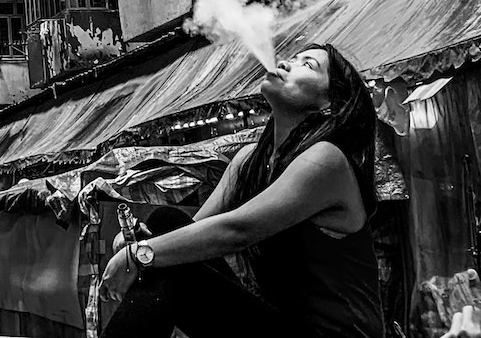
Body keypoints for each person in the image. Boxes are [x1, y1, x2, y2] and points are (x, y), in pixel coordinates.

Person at [98, 44, 384, 338]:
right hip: (281, 324)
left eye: (307, 65)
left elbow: (236, 231)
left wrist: (140, 254)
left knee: (162, 251)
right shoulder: (250, 160)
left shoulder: (326, 159)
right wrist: (143, 239)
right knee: (164, 225)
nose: (286, 63)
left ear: (330, 106)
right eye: (293, 58)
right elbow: (193, 234)